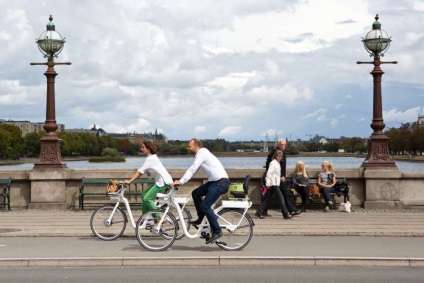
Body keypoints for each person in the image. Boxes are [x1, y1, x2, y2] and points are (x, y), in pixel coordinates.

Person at [172, 139, 230, 245]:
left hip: (221, 182)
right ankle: (202, 218)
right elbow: (193, 170)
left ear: (196, 146)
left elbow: (192, 169)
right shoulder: (201, 154)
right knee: (196, 193)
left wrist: (181, 181)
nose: (187, 148)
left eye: (189, 146)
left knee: (205, 206)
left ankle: (218, 232)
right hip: (214, 182)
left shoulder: (202, 153)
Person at [124, 141, 173, 216]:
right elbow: (145, 171)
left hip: (163, 182)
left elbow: (140, 172)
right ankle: (145, 217)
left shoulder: (151, 158)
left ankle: (159, 217)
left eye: (143, 147)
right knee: (144, 194)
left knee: (147, 198)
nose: (141, 149)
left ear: (149, 149)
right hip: (161, 181)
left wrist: (130, 181)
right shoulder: (151, 158)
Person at [264, 139, 302, 216]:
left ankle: (262, 211)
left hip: (279, 178)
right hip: (277, 178)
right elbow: (269, 166)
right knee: (285, 193)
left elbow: (282, 167)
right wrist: (281, 176)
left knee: (270, 195)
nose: (283, 146)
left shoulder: (282, 153)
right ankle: (290, 210)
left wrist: (283, 175)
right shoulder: (275, 152)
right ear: (278, 144)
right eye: (281, 144)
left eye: (284, 144)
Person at [255, 150, 292, 219]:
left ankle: (259, 212)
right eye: (278, 156)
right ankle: (285, 214)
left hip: (275, 183)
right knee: (281, 198)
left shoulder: (277, 163)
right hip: (273, 184)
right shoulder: (273, 163)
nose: (280, 157)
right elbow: (269, 173)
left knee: (267, 199)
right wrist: (268, 183)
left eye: (281, 156)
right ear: (275, 156)